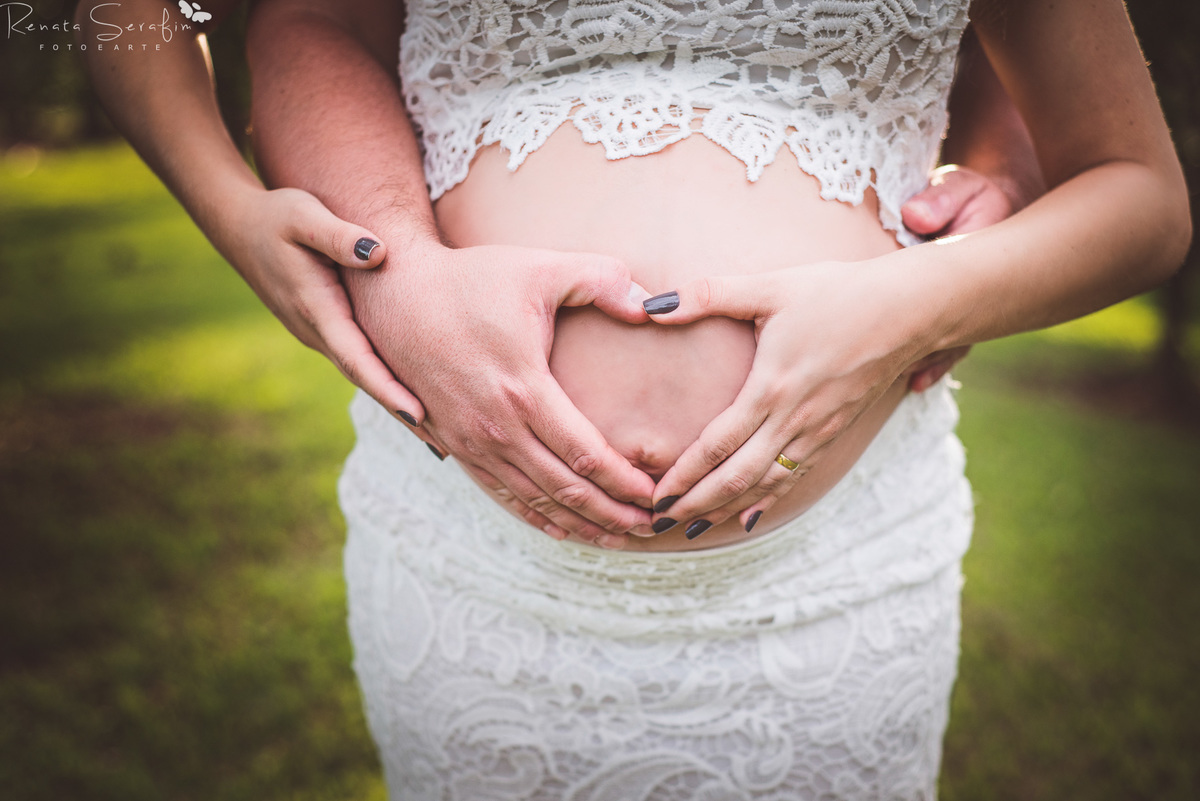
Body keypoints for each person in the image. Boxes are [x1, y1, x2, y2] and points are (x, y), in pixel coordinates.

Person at [78, 0, 1189, 798]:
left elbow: (1129, 186)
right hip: (474, 566)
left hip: (834, 582)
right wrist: (397, 264)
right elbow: (299, 21)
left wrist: (925, 296)